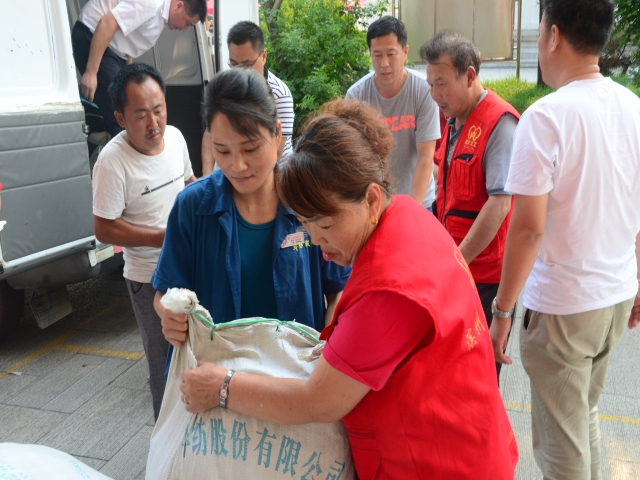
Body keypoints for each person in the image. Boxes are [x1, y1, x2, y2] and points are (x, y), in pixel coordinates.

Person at [175, 98, 518, 479]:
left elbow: (319, 401)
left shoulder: (389, 291)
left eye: (325, 224)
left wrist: (222, 387)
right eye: (305, 224)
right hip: (469, 437)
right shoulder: (408, 214)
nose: (316, 241)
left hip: (438, 464)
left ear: (370, 198)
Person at [489, 1, 640, 478]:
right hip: (615, 296)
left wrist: (502, 311)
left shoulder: (546, 116)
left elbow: (528, 227)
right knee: (584, 416)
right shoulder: (633, 107)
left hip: (563, 309)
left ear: (553, 36)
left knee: (561, 452)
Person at [153, 68, 349, 352]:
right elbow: (164, 294)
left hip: (296, 369)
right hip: (217, 370)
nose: (237, 165)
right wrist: (170, 315)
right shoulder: (192, 206)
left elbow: (339, 290)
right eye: (223, 151)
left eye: (250, 148)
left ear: (277, 134)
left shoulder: (307, 199)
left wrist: (329, 345)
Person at [92, 63, 196, 421]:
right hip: (148, 277)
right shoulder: (112, 162)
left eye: (158, 110)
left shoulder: (177, 138)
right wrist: (161, 239)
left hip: (189, 267)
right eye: (141, 115)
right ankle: (166, 442)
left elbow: (190, 183)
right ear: (121, 118)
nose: (154, 123)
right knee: (165, 365)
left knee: (198, 353)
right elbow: (104, 228)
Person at [422, 31, 520, 378]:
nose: (435, 95)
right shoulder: (453, 119)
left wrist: (456, 263)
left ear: (469, 75)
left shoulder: (500, 124)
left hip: (484, 278)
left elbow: (500, 204)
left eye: (442, 84)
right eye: (431, 85)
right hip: (458, 269)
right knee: (452, 373)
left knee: (479, 377)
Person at [71, 0, 206, 137]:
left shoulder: (160, 17)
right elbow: (107, 23)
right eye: (187, 23)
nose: (184, 29)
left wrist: (128, 76)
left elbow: (129, 40)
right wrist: (91, 72)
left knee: (128, 103)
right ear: (179, 5)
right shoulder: (151, 4)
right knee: (121, 114)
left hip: (114, 52)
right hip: (92, 36)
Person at [346, 16, 440, 210]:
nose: (384, 63)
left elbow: (425, 157)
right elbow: (352, 157)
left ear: (405, 52)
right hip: (375, 204)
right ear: (370, 54)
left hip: (419, 201)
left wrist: (413, 209)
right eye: (377, 55)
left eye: (391, 54)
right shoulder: (356, 95)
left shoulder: (423, 90)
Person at [201, 21, 295, 175]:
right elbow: (210, 134)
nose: (240, 72)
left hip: (277, 175)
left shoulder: (279, 94)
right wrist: (206, 176)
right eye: (234, 64)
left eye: (247, 64)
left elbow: (276, 152)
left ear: (263, 56)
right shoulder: (227, 88)